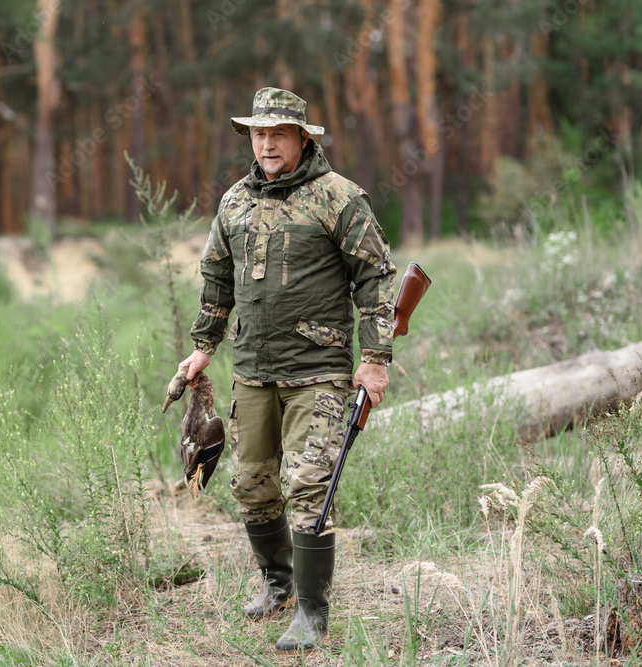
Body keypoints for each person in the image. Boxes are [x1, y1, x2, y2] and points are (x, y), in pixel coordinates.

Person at [177, 87, 396, 652]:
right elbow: (216, 281)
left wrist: (374, 360)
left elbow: (375, 279)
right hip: (252, 370)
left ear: (304, 137)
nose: (267, 143)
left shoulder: (339, 198)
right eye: (258, 133)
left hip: (318, 372)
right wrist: (203, 347)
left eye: (278, 133)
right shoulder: (233, 203)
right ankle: (276, 584)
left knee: (309, 488)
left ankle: (310, 611)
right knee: (251, 485)